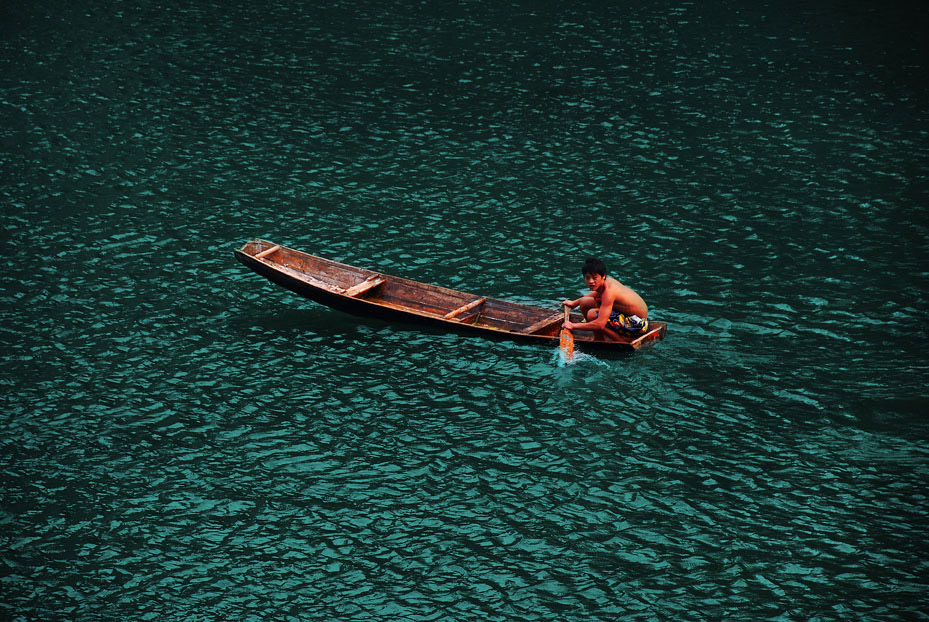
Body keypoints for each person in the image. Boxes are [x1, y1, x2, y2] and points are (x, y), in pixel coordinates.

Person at [562, 257, 649, 341]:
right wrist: (574, 303)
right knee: (584, 302)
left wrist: (573, 326)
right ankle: (599, 338)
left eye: (594, 277)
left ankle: (620, 340)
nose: (591, 281)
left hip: (637, 324)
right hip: (629, 316)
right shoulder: (606, 283)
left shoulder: (609, 292)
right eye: (587, 278)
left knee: (592, 314)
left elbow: (600, 324)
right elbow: (596, 293)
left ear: (603, 276)